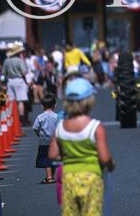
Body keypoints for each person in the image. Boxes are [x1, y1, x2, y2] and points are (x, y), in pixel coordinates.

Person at [49, 78, 115, 216]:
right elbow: (104, 157)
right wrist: (111, 164)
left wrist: (67, 155)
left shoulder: (60, 127)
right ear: (89, 101)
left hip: (69, 177)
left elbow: (52, 154)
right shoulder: (96, 127)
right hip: (92, 177)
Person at [33, 93, 58, 184]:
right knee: (54, 159)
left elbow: (35, 128)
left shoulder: (40, 117)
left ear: (42, 106)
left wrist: (39, 134)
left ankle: (49, 177)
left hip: (44, 141)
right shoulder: (56, 116)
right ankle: (52, 175)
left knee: (46, 159)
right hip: (55, 141)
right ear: (55, 105)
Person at [3, 42, 29, 121]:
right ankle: (21, 118)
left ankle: (11, 117)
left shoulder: (6, 61)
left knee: (11, 100)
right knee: (20, 100)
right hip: (19, 80)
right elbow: (24, 72)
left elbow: (4, 72)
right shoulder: (20, 61)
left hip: (10, 81)